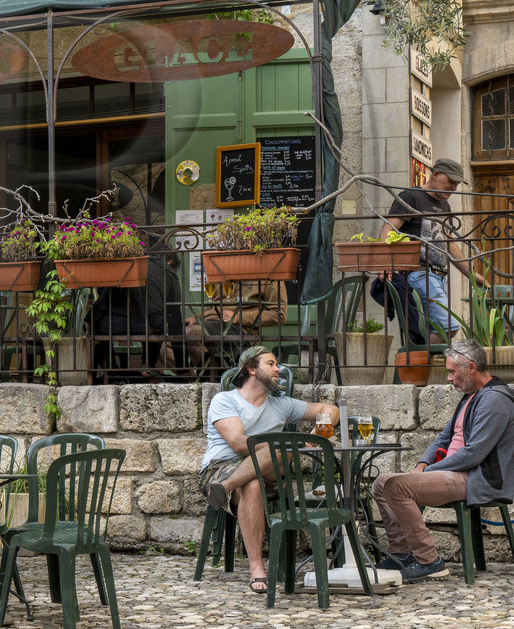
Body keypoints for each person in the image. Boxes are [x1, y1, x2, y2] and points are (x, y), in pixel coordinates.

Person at [370, 340, 514, 582]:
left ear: (471, 368)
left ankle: (429, 561)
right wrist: (422, 464)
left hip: (476, 477)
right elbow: (445, 438)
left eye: (452, 371)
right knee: (382, 482)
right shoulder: (471, 397)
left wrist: (428, 470)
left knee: (397, 486)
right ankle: (403, 554)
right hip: (455, 472)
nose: (449, 378)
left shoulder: (495, 401)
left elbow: (474, 454)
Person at [199, 346, 337, 595]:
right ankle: (256, 568)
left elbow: (330, 409)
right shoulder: (226, 400)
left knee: (281, 445)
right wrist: (285, 442)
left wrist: (318, 432)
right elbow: (239, 444)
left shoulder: (282, 405)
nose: (278, 369)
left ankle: (225, 489)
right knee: (254, 483)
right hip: (222, 467)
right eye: (271, 364)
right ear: (252, 369)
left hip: (265, 473)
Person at [385, 158, 486, 344]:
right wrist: (385, 267)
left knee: (438, 329)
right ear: (436, 174)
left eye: (457, 184)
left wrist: (472, 275)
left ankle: (417, 363)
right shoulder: (411, 197)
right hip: (419, 273)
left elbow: (449, 245)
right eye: (452, 182)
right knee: (448, 327)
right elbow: (387, 230)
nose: (454, 188)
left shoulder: (444, 206)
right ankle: (416, 361)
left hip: (439, 277)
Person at [92, 246, 184, 377]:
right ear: (170, 262)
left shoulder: (129, 263)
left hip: (110, 324)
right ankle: (147, 365)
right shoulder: (168, 273)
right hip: (147, 327)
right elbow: (174, 318)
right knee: (160, 321)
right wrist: (182, 368)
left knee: (96, 327)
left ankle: (111, 368)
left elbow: (102, 292)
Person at [184, 278, 287, 367]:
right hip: (210, 323)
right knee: (171, 335)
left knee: (191, 333)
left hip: (238, 328)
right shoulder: (222, 269)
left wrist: (239, 317)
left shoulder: (270, 274)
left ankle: (207, 375)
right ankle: (189, 376)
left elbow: (278, 314)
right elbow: (212, 308)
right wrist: (196, 317)